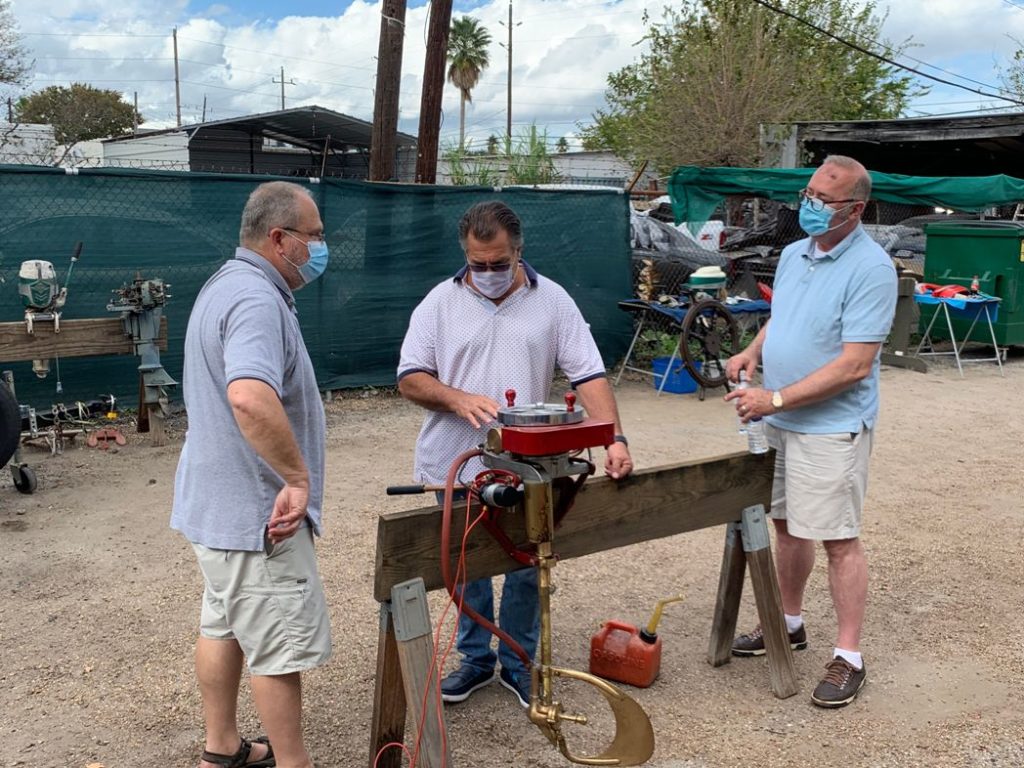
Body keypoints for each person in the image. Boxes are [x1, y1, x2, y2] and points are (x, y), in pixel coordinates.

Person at [397, 200, 633, 708]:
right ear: (465, 254)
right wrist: (457, 398)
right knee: (466, 566)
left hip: (530, 465)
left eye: (498, 263)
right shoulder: (439, 302)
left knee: (528, 565)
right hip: (454, 464)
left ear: (519, 252)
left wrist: (615, 438)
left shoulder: (553, 301)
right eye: (477, 264)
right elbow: (410, 377)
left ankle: (520, 663)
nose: (486, 274)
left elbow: (587, 373)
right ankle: (476, 660)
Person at [724, 156, 897, 709]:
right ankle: (789, 622)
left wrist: (772, 397)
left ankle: (850, 657)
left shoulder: (873, 268)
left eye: (826, 201)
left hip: (830, 425)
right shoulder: (796, 254)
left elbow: (854, 365)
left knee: (838, 539)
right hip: (780, 420)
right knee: (786, 526)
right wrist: (752, 350)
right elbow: (785, 316)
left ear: (857, 208)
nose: (811, 207)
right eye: (808, 194)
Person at [171, 181, 332, 768]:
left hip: (217, 513)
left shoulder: (226, 284)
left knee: (225, 624)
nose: (321, 247)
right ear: (280, 238)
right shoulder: (257, 300)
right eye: (314, 236)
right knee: (278, 648)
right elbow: (248, 396)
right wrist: (296, 477)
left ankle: (223, 747)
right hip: (256, 516)